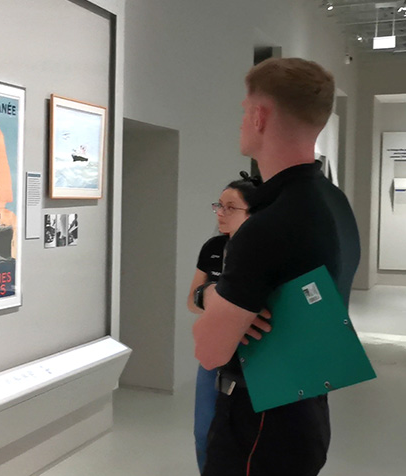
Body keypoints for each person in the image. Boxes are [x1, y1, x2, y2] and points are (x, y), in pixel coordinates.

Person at [193, 58, 360, 476]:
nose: (241, 121)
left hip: (258, 429)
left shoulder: (267, 226)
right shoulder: (334, 203)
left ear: (259, 115)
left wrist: (214, 298)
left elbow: (209, 350)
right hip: (307, 411)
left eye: (243, 109)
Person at [187, 174, 258, 473]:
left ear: (253, 213)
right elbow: (192, 300)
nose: (220, 212)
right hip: (215, 350)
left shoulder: (265, 252)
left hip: (255, 355)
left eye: (231, 207)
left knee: (252, 437)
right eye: (219, 205)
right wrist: (216, 298)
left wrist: (214, 301)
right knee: (204, 432)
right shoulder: (213, 247)